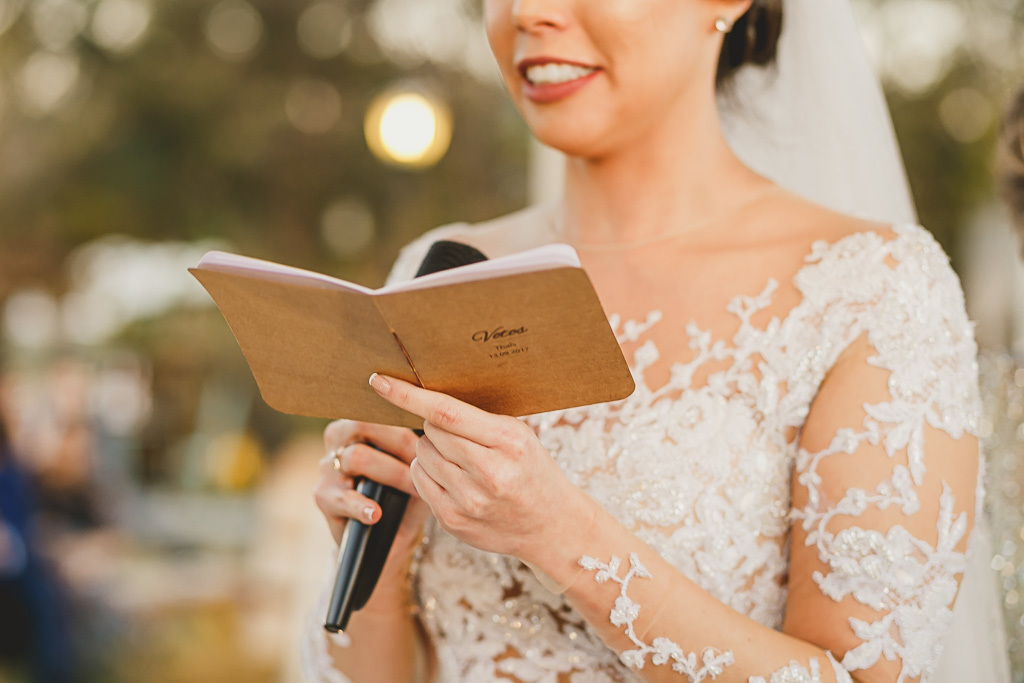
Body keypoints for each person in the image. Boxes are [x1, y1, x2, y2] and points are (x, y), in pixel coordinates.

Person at [302, 0, 1011, 680]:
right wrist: (383, 561)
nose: (527, 11)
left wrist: (559, 532)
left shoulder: (870, 290)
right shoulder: (442, 271)